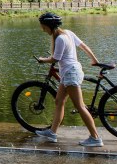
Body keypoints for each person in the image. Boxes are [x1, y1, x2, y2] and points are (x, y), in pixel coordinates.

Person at [34, 12, 104, 147]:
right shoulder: (68, 33)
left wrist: (43, 60)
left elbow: (55, 59)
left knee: (80, 106)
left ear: (49, 26)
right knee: (59, 101)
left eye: (43, 27)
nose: (42, 29)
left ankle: (95, 138)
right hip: (69, 73)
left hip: (71, 74)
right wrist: (95, 60)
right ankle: (52, 133)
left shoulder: (60, 38)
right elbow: (84, 46)